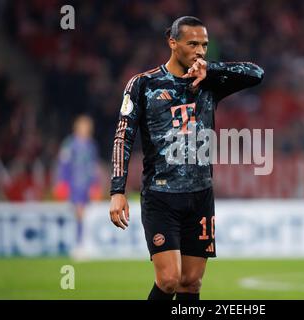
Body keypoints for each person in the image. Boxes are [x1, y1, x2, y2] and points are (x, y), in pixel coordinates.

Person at [109, 16, 264, 300]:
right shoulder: (143, 84)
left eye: (204, 45)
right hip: (161, 196)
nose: (200, 51)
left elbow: (256, 73)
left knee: (191, 283)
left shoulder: (209, 82)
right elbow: (123, 136)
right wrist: (117, 190)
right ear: (173, 43)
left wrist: (213, 71)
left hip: (200, 195)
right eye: (192, 44)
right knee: (169, 280)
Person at [55, 115, 100, 255]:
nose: (85, 129)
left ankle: (82, 243)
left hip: (86, 185)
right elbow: (63, 164)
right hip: (74, 184)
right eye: (83, 126)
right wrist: (62, 182)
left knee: (85, 214)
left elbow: (93, 167)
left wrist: (95, 184)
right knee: (78, 213)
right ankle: (78, 244)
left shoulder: (91, 145)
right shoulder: (70, 144)